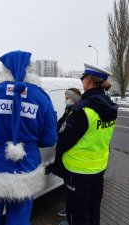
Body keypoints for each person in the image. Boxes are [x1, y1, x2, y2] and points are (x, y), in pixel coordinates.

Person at [0, 50, 57, 225]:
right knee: (19, 220)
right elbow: (49, 139)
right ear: (29, 70)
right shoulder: (41, 98)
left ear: (4, 70)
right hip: (26, 169)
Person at [55, 63, 118, 225]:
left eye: (83, 78)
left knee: (77, 216)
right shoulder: (110, 106)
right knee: (93, 210)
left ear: (89, 80)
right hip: (98, 169)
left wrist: (57, 165)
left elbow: (63, 139)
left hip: (78, 173)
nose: (82, 81)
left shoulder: (83, 110)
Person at [53, 88, 82, 218]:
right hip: (67, 156)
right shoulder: (68, 110)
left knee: (72, 188)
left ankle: (71, 212)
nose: (65, 100)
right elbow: (60, 123)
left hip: (73, 158)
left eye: (67, 98)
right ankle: (70, 209)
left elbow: (68, 134)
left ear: (74, 99)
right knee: (67, 185)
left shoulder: (78, 113)